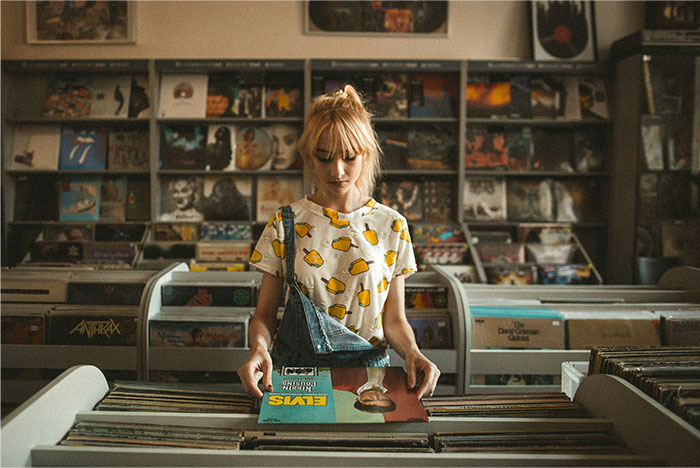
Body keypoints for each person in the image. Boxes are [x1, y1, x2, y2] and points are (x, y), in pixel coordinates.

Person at [238, 84, 440, 400]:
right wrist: (258, 349)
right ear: (309, 156)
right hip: (298, 376)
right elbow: (264, 315)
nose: (337, 171)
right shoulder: (286, 222)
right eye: (324, 158)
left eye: (349, 157)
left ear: (367, 154)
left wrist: (413, 352)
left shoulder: (391, 225)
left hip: (370, 378)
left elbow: (394, 319)